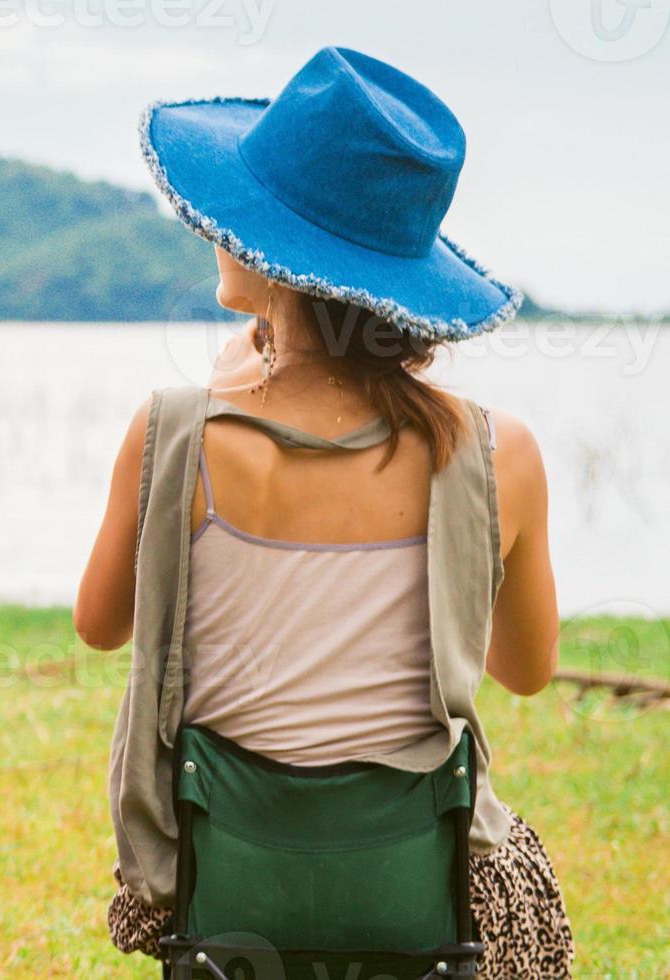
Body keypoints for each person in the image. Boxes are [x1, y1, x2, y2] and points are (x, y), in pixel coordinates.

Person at [73, 47, 571, 975]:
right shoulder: (501, 457)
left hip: (228, 909)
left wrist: (237, 385)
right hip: (411, 910)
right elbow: (526, 669)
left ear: (276, 257)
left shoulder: (173, 437)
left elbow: (99, 626)